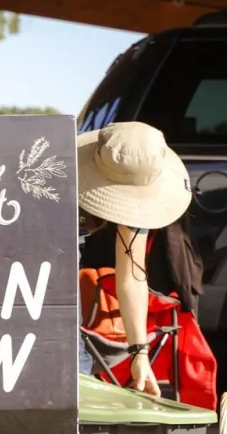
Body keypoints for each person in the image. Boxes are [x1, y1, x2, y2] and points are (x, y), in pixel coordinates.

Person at [76, 122, 193, 396]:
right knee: (69, 359)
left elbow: (131, 275)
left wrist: (139, 354)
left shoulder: (135, 179)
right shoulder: (51, 178)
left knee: (76, 365)